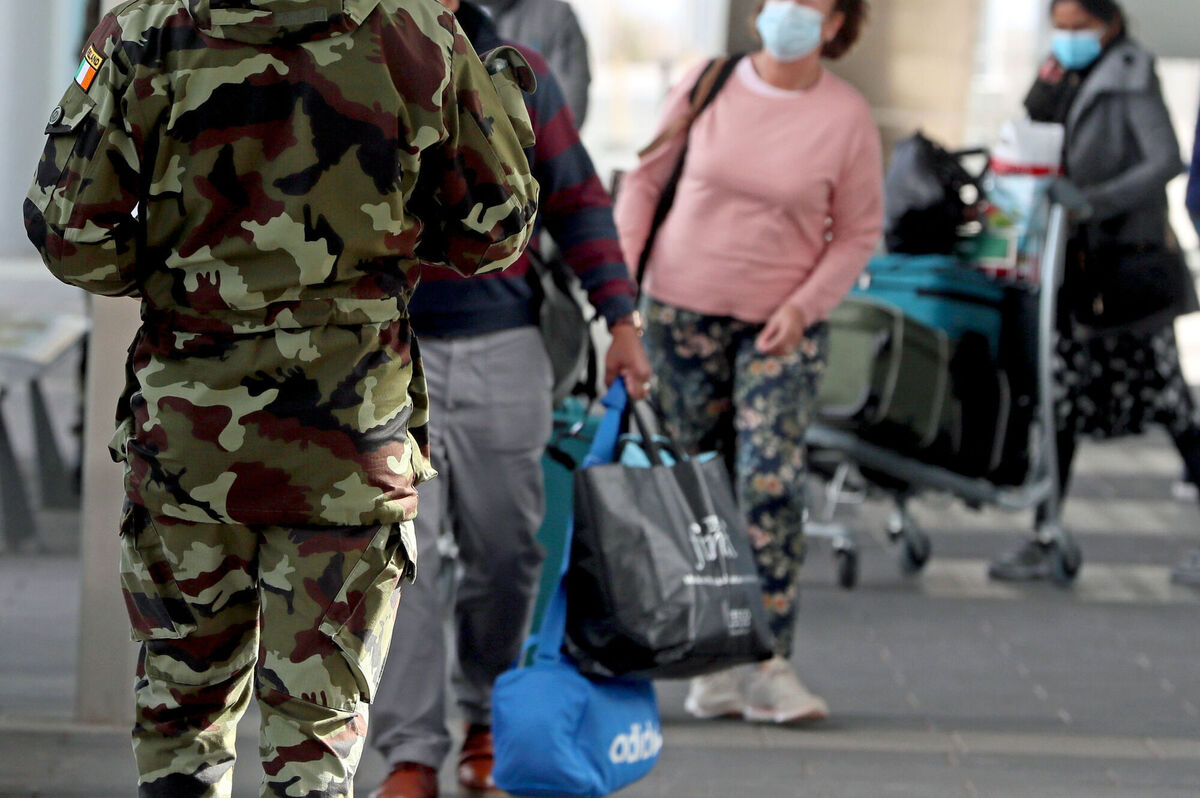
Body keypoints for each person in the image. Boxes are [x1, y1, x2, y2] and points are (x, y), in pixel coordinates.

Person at [23, 1, 538, 796]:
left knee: (182, 728)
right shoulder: (414, 30)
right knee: (316, 747)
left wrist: (188, 284)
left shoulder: (143, 26)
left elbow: (70, 235)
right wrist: (378, 260)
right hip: (350, 440)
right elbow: (496, 227)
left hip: (188, 442)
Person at [367, 3, 651, 796]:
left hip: (500, 340)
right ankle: (411, 750)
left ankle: (489, 714)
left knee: (506, 550)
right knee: (399, 557)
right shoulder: (345, 61)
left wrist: (621, 320)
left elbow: (579, 199)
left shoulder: (516, 73)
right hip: (379, 349)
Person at [615, 0, 882, 724]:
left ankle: (768, 662)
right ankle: (712, 662)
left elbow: (859, 233)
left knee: (769, 484)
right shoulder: (710, 82)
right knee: (696, 490)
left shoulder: (845, 117)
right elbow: (642, 182)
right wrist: (621, 300)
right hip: (679, 313)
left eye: (811, 4)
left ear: (835, 24)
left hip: (780, 328)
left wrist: (804, 307)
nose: (789, 13)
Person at [987, 0, 1200, 585]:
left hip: (1126, 274)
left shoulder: (1131, 73)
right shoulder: (1059, 75)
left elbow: (1164, 159)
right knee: (1061, 402)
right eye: (1061, 25)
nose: (1068, 36)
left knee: (1174, 408)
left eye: (1080, 27)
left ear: (1108, 24)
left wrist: (1091, 199)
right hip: (1073, 272)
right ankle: (1045, 531)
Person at [476, 0, 591, 126]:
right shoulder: (455, 16)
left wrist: (548, 140)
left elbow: (572, 95)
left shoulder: (555, 14)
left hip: (540, 139)